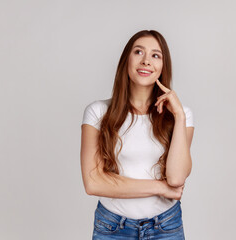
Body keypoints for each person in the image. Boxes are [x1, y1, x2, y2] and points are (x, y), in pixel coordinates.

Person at [80, 30, 195, 239]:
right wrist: (161, 188)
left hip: (166, 226)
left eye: (155, 55)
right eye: (138, 52)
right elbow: (93, 182)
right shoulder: (97, 112)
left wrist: (178, 116)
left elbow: (176, 178)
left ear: (162, 67)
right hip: (113, 228)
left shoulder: (181, 115)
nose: (146, 61)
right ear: (127, 60)